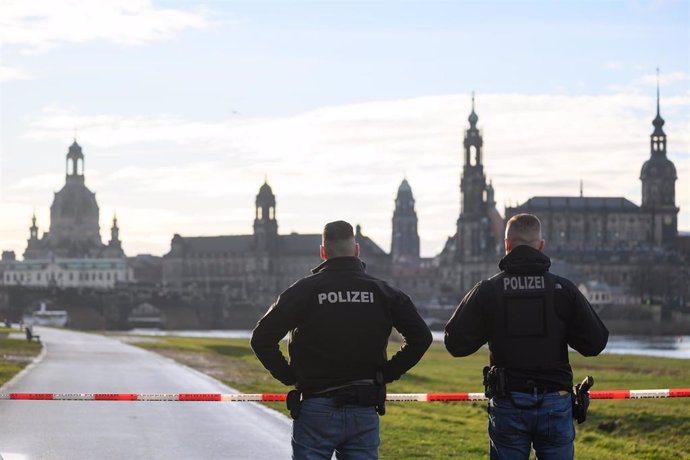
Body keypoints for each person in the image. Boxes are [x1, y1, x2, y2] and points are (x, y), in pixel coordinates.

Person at [251, 220, 432, 459]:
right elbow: (421, 337)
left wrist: (288, 375)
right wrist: (386, 374)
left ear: (323, 252)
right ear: (356, 250)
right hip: (364, 404)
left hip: (316, 404)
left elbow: (261, 338)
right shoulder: (383, 291)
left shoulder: (303, 290)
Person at [444, 213, 608, 460]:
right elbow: (595, 342)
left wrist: (488, 328)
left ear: (506, 244)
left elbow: (455, 342)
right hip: (556, 399)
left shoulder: (489, 290)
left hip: (508, 400)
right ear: (541, 246)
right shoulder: (562, 289)